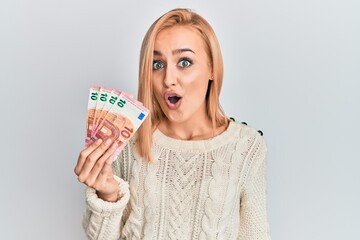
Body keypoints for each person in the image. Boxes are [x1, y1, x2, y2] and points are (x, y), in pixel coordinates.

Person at [74, 8, 271, 240]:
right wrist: (107, 197)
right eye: (157, 64)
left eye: (184, 62)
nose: (168, 79)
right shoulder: (126, 144)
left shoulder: (246, 147)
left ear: (212, 69)